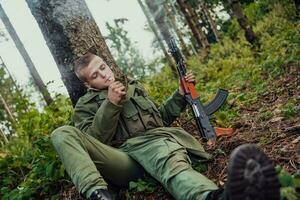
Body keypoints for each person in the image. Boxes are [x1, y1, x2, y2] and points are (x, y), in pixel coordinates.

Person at [51, 53, 280, 200]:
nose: (104, 73)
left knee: (170, 164)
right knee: (61, 134)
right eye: (96, 75)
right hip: (125, 161)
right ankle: (98, 195)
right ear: (88, 84)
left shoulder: (134, 87)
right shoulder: (85, 106)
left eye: (103, 66)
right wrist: (110, 105)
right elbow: (94, 141)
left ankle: (212, 197)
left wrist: (180, 94)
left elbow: (159, 118)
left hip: (157, 145)